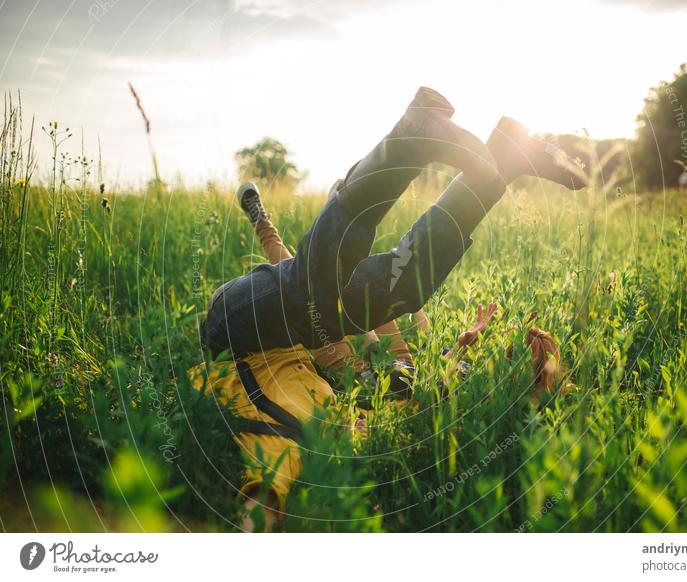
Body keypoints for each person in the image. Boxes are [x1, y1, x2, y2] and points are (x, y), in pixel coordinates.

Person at [195, 86, 585, 529]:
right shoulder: (358, 423)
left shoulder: (284, 435)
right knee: (361, 295)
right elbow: (266, 499)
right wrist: (461, 348)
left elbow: (262, 495)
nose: (358, 436)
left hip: (229, 334)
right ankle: (489, 157)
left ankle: (457, 153)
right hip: (300, 321)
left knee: (343, 294)